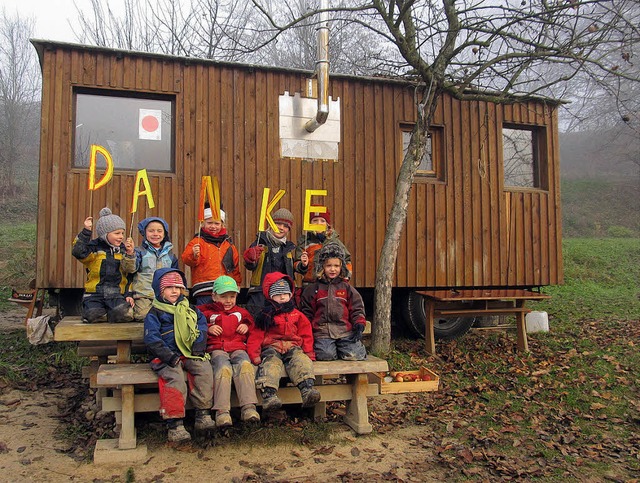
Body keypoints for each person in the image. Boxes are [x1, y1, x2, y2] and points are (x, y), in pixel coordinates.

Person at [144, 268, 216, 442]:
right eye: (169, 288)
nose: (174, 291)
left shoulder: (191, 309)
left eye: (178, 287)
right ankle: (175, 422)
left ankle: (203, 413)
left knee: (204, 370)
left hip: (189, 352)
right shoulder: (155, 313)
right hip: (166, 356)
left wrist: (198, 347)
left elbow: (202, 326)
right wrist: (168, 356)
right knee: (175, 378)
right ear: (161, 291)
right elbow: (151, 338)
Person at [247, 272, 320, 412]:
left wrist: (309, 352)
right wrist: (254, 354)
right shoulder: (265, 315)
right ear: (270, 295)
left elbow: (306, 334)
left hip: (293, 347)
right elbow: (255, 336)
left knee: (301, 361)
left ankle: (307, 389)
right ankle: (269, 395)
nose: (282, 297)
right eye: (278, 294)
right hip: (272, 348)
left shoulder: (296, 314)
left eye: (285, 294)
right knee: (271, 365)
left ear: (290, 294)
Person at [197, 276, 260, 427]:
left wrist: (246, 325)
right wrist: (207, 328)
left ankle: (249, 407)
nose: (228, 301)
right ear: (214, 296)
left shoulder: (241, 313)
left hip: (238, 348)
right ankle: (222, 411)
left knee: (245, 366)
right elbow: (194, 324)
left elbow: (254, 328)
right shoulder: (205, 312)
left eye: (232, 297)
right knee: (223, 370)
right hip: (217, 349)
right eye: (223, 296)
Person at [300, 242, 367, 361]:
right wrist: (308, 332)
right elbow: (307, 312)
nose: (332, 269)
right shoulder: (313, 289)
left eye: (336, 266)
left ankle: (345, 349)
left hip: (344, 331)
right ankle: (334, 350)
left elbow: (357, 308)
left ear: (341, 267)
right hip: (322, 332)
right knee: (326, 355)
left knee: (355, 355)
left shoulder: (346, 288)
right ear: (322, 267)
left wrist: (359, 324)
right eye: (328, 265)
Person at [71, 207, 134, 323]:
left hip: (116, 294)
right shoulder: (94, 248)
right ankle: (99, 313)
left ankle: (110, 314)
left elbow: (130, 272)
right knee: (93, 314)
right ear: (105, 234)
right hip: (94, 294)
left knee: (125, 314)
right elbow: (78, 252)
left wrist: (130, 254)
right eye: (117, 233)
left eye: (122, 233)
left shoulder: (124, 250)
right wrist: (86, 232)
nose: (121, 236)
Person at [182, 204, 242, 305]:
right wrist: (193, 255)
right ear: (202, 224)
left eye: (216, 223)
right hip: (203, 289)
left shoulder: (229, 245)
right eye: (209, 223)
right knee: (205, 316)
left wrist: (237, 283)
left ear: (222, 225)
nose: (213, 226)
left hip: (225, 289)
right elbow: (186, 259)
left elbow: (234, 268)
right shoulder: (197, 242)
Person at [122, 217, 179, 321]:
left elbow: (176, 278)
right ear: (144, 233)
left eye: (159, 231)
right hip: (143, 295)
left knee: (168, 317)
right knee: (144, 316)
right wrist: (130, 254)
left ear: (165, 233)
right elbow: (130, 270)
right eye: (151, 231)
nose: (155, 234)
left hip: (164, 296)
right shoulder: (139, 252)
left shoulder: (171, 256)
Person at [243, 208, 297, 318]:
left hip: (281, 294)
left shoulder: (288, 248)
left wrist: (302, 266)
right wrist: (250, 258)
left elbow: (292, 269)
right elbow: (250, 265)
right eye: (277, 223)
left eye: (285, 226)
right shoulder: (260, 243)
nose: (281, 228)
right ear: (270, 224)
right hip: (259, 294)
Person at [294, 206, 352, 287]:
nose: (319, 223)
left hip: (332, 285)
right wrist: (303, 265)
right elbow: (296, 263)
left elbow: (347, 260)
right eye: (315, 220)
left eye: (322, 221)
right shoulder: (304, 243)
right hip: (310, 285)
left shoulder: (335, 242)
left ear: (327, 224)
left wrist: (345, 277)